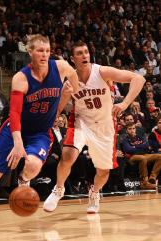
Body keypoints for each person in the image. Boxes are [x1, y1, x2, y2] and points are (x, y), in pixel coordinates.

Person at [0, 34, 79, 231]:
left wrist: (74, 91)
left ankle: (23, 179)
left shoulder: (60, 67)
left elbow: (74, 75)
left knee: (33, 164)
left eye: (47, 50)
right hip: (14, 130)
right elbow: (14, 113)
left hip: (40, 132)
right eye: (40, 50)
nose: (44, 54)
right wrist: (17, 142)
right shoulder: (20, 78)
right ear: (29, 51)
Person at [43, 41, 145, 214]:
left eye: (86, 52)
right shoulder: (70, 80)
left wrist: (125, 103)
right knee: (67, 156)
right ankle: (59, 189)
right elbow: (58, 111)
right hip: (81, 122)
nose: (85, 56)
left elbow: (139, 78)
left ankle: (94, 192)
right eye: (80, 53)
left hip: (105, 126)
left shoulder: (102, 71)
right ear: (72, 59)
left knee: (103, 171)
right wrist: (65, 95)